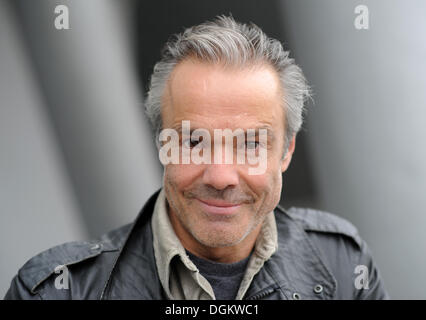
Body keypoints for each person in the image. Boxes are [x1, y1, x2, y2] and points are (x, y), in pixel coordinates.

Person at [4, 15, 388, 300]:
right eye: (193, 142)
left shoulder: (344, 262)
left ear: (286, 151)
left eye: (251, 144)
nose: (221, 176)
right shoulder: (56, 291)